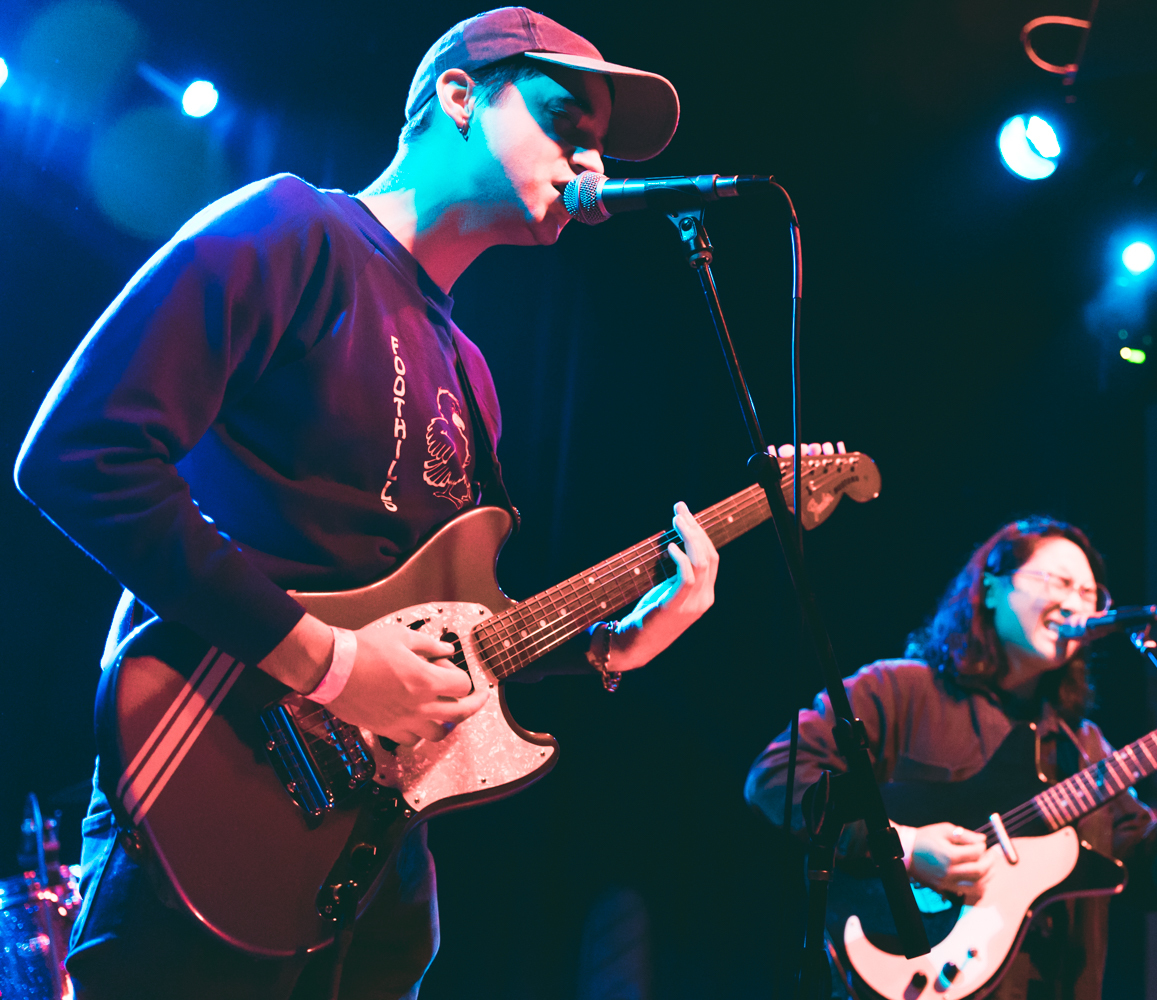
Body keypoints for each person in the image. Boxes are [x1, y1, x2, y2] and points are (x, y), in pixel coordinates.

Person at [14, 8, 717, 998]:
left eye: (597, 144)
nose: (587, 159)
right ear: (459, 97)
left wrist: (611, 645)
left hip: (369, 858)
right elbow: (79, 456)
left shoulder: (473, 373)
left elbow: (445, 638)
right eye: (566, 120)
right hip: (211, 791)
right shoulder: (291, 228)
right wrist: (333, 664)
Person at [745, 517, 1157, 1000]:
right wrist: (909, 845)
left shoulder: (1085, 749)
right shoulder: (898, 692)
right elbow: (777, 777)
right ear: (990, 586)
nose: (1077, 603)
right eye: (1060, 581)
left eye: (1090, 595)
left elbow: (1151, 878)